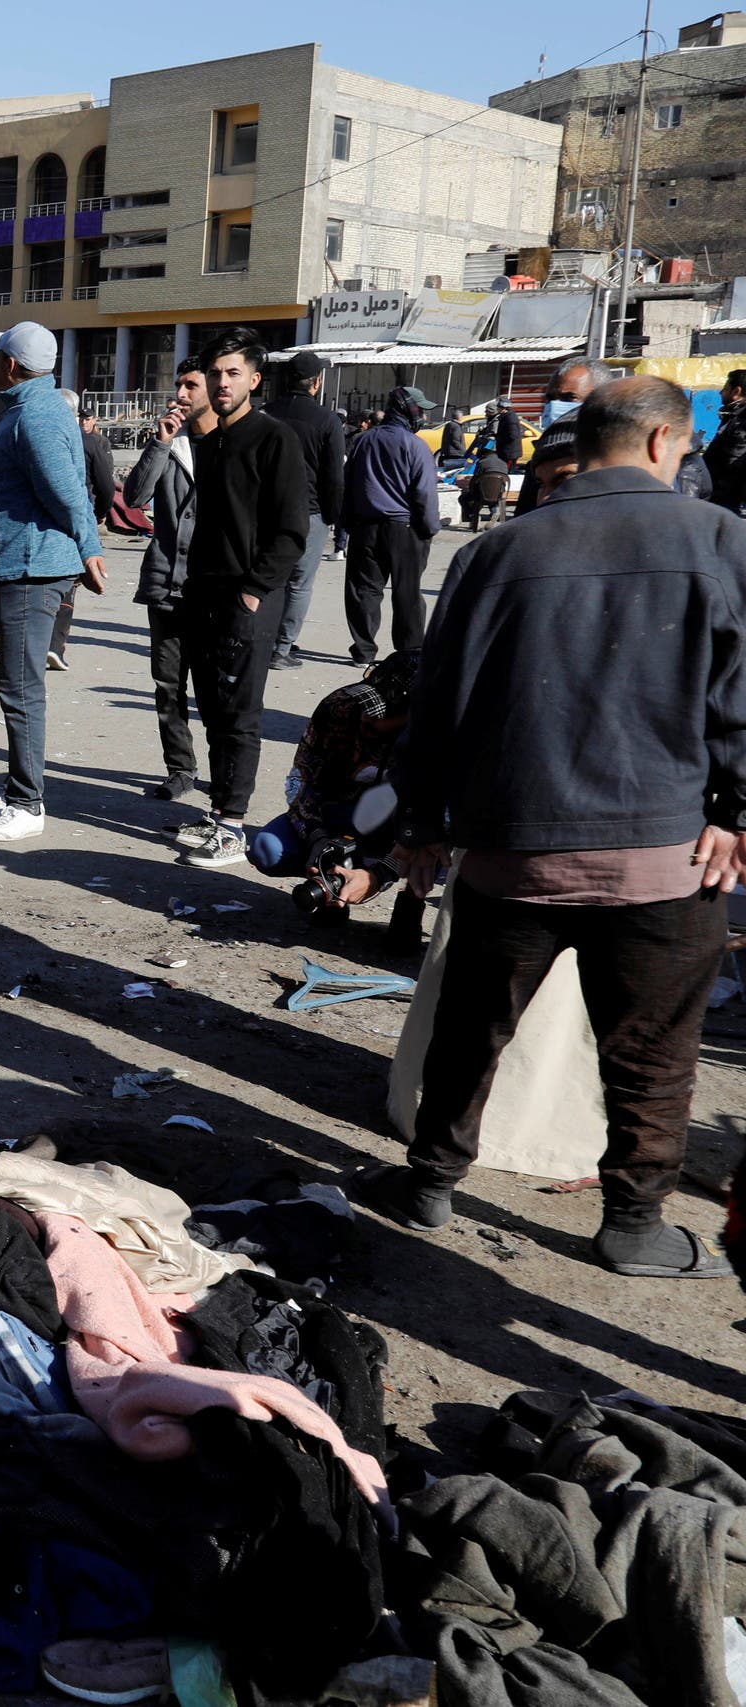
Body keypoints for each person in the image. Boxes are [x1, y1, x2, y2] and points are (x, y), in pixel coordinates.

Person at [384, 376, 746, 1278]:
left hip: (512, 854)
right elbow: (742, 701)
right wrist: (737, 815)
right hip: (663, 857)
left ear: (583, 444)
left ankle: (429, 1180)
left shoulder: (495, 552)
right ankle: (633, 1223)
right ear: (667, 443)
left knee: (472, 1028)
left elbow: (438, 703)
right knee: (654, 1052)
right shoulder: (720, 541)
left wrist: (423, 821)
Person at [0, 322, 106, 844]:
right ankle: (15, 792)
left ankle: (27, 804)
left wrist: (88, 546)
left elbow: (68, 490)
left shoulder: (38, 416)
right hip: (22, 564)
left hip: (32, 567)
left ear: (12, 366)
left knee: (20, 687)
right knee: (16, 684)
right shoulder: (33, 409)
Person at [173, 326, 307, 869]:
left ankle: (233, 825)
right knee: (212, 708)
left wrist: (253, 593)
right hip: (203, 592)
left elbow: (291, 531)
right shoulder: (212, 441)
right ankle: (219, 810)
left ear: (255, 379)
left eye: (233, 373)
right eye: (215, 373)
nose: (221, 382)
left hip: (248, 597)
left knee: (239, 712)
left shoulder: (275, 438)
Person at [248, 652, 426, 943]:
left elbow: (445, 822)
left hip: (410, 825)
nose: (368, 714)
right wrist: (317, 837)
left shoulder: (440, 736)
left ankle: (411, 905)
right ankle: (332, 887)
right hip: (344, 808)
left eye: (383, 712)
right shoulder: (340, 707)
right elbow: (300, 780)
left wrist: (381, 873)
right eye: (371, 701)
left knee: (439, 848)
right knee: (269, 849)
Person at [125, 357, 211, 803]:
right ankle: (180, 768)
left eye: (190, 385)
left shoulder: (235, 444)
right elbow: (135, 498)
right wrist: (160, 444)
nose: (180, 394)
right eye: (178, 384)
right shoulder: (169, 444)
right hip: (166, 583)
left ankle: (227, 775)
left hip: (215, 588)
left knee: (217, 690)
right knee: (168, 685)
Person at [340, 385, 439, 666]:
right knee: (407, 592)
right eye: (420, 410)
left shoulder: (363, 441)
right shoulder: (416, 446)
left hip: (365, 528)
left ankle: (363, 651)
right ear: (407, 409)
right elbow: (425, 493)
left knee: (364, 591)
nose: (424, 417)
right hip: (405, 529)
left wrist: (345, 524)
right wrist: (429, 527)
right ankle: (409, 652)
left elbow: (347, 485)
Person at [263, 351, 345, 671]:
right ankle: (281, 647)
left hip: (267, 510)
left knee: (271, 578)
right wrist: (333, 515)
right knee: (300, 582)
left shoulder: (266, 414)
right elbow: (334, 477)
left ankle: (264, 637)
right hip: (309, 512)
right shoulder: (327, 420)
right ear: (317, 383)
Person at [45, 399, 119, 671]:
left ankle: (38, 645)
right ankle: (54, 645)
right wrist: (100, 512)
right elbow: (106, 484)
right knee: (68, 582)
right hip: (77, 516)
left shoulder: (33, 434)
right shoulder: (90, 443)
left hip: (43, 520)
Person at [515, 358, 610, 514]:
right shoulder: (540, 462)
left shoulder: (611, 460)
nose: (554, 406)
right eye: (550, 399)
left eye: (569, 398)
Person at [703, 369, 746, 514]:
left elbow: (733, 464)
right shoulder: (734, 416)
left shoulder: (741, 421)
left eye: (725, 389)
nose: (721, 393)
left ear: (737, 391)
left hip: (725, 500)